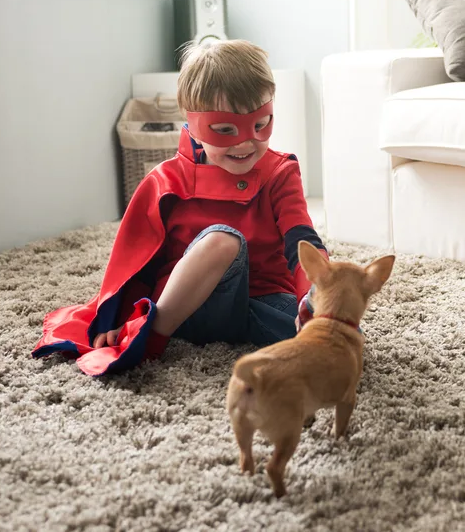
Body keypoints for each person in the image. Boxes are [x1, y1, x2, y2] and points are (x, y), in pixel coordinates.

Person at [32, 40, 326, 376]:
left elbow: (301, 241)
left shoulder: (280, 172)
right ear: (194, 124)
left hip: (257, 306)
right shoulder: (166, 181)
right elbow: (138, 261)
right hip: (183, 311)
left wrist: (319, 294)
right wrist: (126, 320)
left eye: (260, 125)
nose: (246, 142)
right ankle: (151, 338)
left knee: (339, 339)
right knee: (222, 241)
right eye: (225, 130)